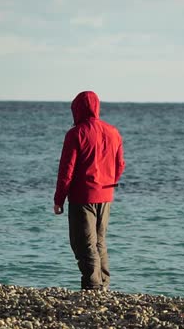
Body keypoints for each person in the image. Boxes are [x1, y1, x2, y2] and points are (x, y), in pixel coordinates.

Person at [53, 91, 125, 290]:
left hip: (83, 196)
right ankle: (103, 285)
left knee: (83, 245)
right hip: (106, 195)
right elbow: (120, 165)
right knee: (99, 242)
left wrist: (59, 199)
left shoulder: (76, 134)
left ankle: (93, 288)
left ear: (77, 109)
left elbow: (66, 170)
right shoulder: (113, 132)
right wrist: (109, 184)